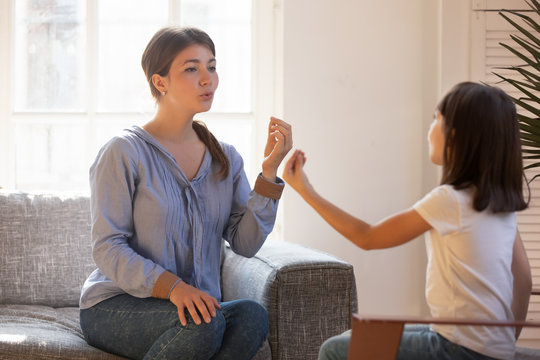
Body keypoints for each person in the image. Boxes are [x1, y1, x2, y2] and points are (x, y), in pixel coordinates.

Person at [79, 26, 292, 360]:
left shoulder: (226, 158)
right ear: (159, 81)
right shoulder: (123, 152)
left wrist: (268, 174)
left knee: (251, 316)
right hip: (118, 304)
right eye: (191, 69)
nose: (207, 79)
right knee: (203, 325)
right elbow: (108, 248)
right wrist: (174, 288)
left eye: (212, 66)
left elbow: (245, 244)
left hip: (198, 312)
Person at [282, 82, 532, 360]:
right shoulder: (499, 204)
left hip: (458, 349)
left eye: (436, 119)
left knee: (334, 350)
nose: (429, 130)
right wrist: (503, 346)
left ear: (457, 137)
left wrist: (306, 190)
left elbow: (367, 237)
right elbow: (523, 279)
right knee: (351, 339)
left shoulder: (450, 200)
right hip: (480, 345)